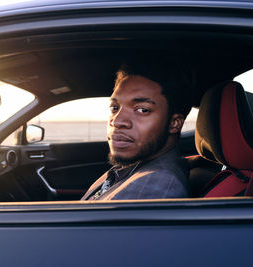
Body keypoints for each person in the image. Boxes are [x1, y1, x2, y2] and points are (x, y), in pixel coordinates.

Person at [81, 59, 193, 200]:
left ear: (174, 123)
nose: (117, 121)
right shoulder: (134, 168)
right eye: (114, 108)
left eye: (142, 110)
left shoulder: (155, 186)